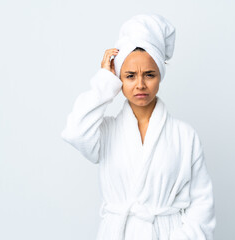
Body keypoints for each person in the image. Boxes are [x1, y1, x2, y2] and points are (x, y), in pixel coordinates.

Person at [61, 13, 216, 240]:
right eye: (130, 76)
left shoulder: (184, 135)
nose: (140, 85)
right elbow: (75, 132)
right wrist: (104, 81)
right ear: (119, 78)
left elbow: (202, 205)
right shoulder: (106, 132)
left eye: (150, 75)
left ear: (160, 76)